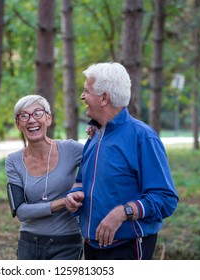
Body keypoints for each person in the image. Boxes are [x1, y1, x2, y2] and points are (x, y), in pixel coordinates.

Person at [65, 62, 179, 260]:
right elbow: (81, 180)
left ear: (104, 98)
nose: (82, 97)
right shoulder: (95, 135)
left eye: (86, 91)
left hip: (128, 246)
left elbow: (166, 199)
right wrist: (74, 195)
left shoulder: (142, 137)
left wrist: (123, 212)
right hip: (91, 245)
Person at [5, 94, 84, 260]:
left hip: (67, 243)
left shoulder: (70, 149)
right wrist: (63, 202)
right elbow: (21, 211)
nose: (31, 120)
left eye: (38, 113)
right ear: (18, 124)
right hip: (29, 243)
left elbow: (102, 161)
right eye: (24, 116)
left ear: (48, 119)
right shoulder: (13, 161)